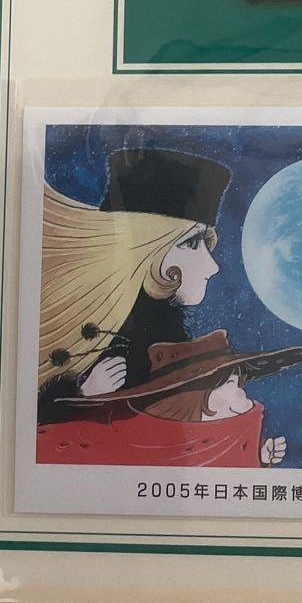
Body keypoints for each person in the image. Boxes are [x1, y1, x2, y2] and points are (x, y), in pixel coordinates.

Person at [37, 147, 230, 424]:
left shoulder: (166, 339)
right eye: (191, 243)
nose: (213, 266)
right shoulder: (102, 343)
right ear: (147, 250)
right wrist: (81, 396)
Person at [36, 329, 302, 468]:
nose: (244, 396)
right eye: (232, 383)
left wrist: (258, 456)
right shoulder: (103, 439)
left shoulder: (217, 438)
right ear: (196, 395)